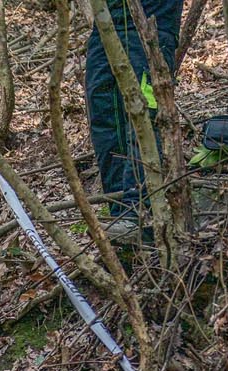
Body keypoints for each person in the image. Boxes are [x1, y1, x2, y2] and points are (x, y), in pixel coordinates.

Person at [86, 0, 182, 241]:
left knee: (143, 115)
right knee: (104, 118)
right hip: (106, 25)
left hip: (151, 23)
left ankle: (138, 213)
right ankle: (120, 213)